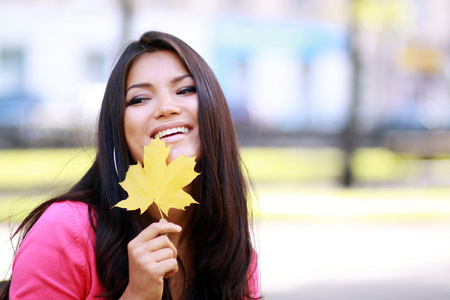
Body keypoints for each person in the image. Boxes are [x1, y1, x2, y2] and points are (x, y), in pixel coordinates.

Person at [1, 31, 259, 300]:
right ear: (118, 128)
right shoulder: (65, 232)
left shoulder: (236, 253)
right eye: (140, 99)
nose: (166, 107)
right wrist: (136, 295)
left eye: (185, 90)